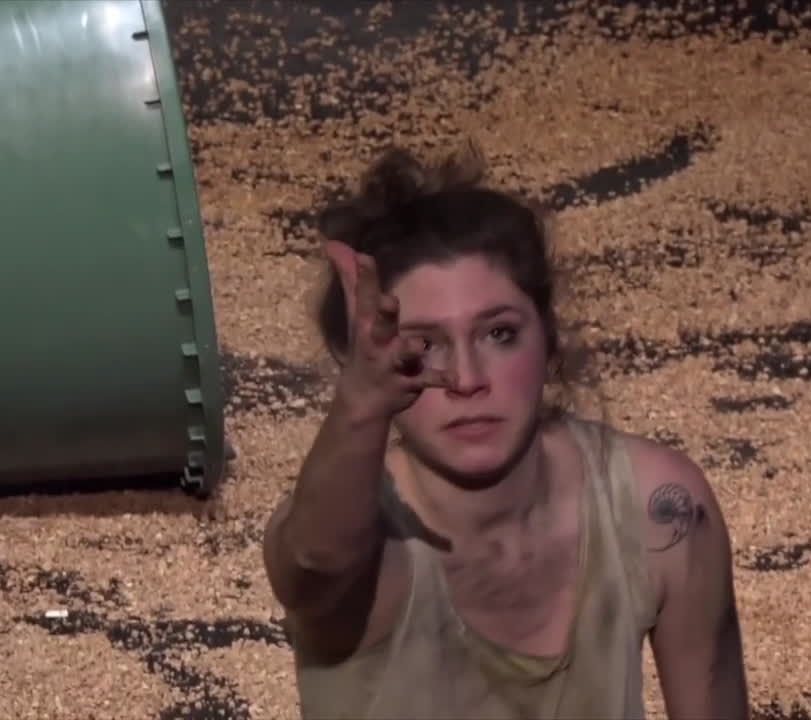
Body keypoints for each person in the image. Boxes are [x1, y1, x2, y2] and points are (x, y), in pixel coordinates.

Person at [261, 142, 750, 719]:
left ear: (548, 340)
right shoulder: (364, 532)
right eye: (424, 345)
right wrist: (360, 406)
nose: (467, 379)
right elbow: (313, 564)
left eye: (499, 334)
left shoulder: (655, 508)